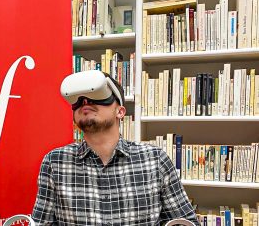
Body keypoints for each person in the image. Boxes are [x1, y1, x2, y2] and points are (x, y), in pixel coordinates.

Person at [32, 70, 200, 226]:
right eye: (79, 99)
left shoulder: (155, 160)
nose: (85, 102)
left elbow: (185, 222)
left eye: (96, 95)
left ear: (120, 111)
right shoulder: (55, 162)